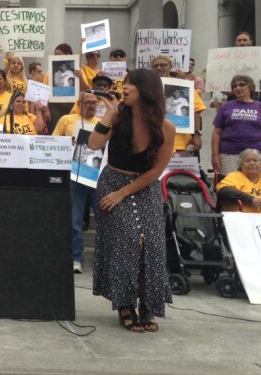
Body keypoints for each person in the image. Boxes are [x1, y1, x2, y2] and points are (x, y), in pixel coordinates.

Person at [88, 69, 175, 332]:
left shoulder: (166, 127)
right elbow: (93, 145)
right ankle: (124, 304)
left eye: (131, 85)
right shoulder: (119, 118)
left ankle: (147, 304)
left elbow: (155, 171)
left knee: (149, 243)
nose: (124, 88)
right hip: (112, 181)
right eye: (124, 84)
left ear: (146, 90)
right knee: (127, 241)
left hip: (144, 187)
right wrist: (108, 114)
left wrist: (124, 193)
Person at [53, 91, 100, 274]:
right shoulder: (66, 119)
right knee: (75, 220)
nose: (91, 106)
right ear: (79, 104)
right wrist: (68, 144)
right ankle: (76, 258)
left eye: (95, 103)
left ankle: (103, 259)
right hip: (74, 176)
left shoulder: (103, 123)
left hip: (96, 177)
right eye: (88, 103)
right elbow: (54, 142)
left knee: (104, 220)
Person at [212, 74, 261, 177]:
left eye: (242, 84)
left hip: (255, 156)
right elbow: (217, 133)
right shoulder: (225, 106)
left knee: (253, 186)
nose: (238, 88)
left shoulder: (260, 106)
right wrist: (215, 155)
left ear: (250, 86)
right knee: (229, 187)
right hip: (229, 156)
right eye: (234, 86)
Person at [152, 55, 204, 156]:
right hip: (153, 143)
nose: (159, 68)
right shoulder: (145, 86)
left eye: (163, 65)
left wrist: (197, 135)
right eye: (155, 66)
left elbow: (196, 112)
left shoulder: (184, 85)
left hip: (181, 144)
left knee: (180, 172)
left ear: (170, 66)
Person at [216, 149, 261, 220]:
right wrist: (251, 199)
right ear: (241, 165)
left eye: (255, 160)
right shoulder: (234, 176)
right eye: (247, 161)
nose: (252, 163)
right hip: (243, 220)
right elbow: (223, 191)